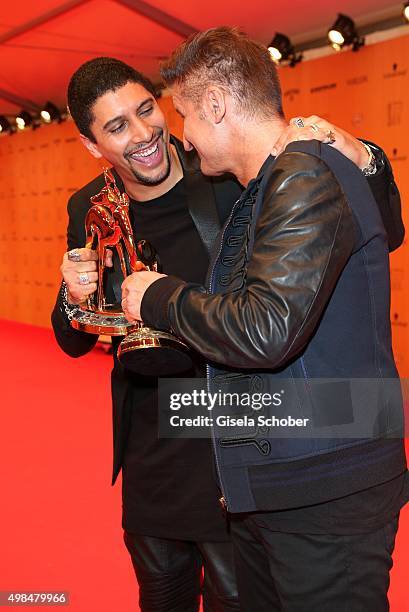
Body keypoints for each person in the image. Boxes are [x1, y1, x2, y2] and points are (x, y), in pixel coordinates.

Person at [121, 28, 408, 612]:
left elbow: (264, 329)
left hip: (327, 489)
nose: (184, 135)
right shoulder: (269, 184)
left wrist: (158, 297)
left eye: (185, 116)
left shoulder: (304, 176)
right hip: (282, 485)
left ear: (218, 106)